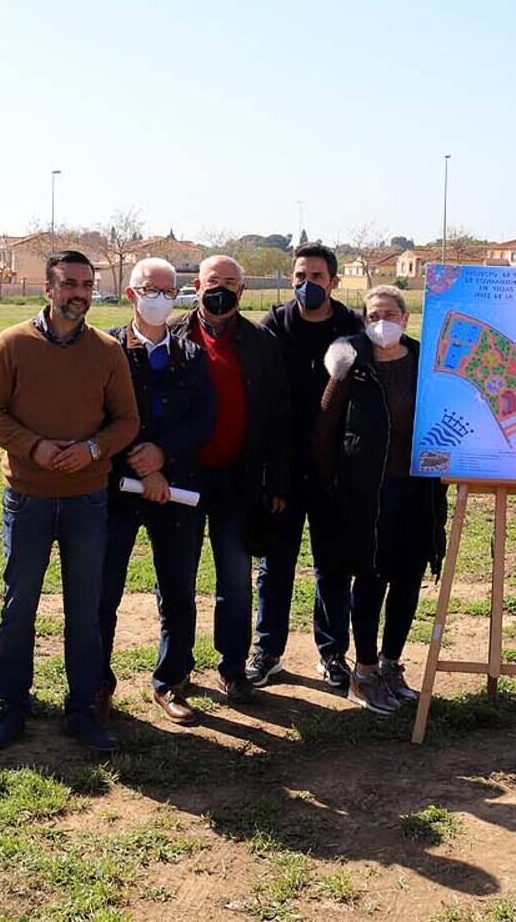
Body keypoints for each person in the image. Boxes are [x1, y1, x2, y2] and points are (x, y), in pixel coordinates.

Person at [0, 251, 139, 753]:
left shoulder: (107, 351)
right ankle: (12, 706)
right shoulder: (14, 343)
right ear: (48, 288)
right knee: (19, 603)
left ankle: (81, 709)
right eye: (69, 284)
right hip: (27, 498)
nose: (80, 293)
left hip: (87, 498)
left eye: (87, 285)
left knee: (85, 608)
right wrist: (35, 446)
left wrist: (92, 448)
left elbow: (127, 422)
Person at [313, 286, 447, 713]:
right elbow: (324, 428)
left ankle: (391, 664)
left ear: (406, 318)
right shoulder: (351, 363)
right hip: (367, 492)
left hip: (419, 489)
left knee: (408, 579)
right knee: (371, 578)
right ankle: (365, 671)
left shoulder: (427, 362)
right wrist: (330, 483)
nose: (381, 322)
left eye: (389, 313)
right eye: (373, 315)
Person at [168, 255, 292, 703]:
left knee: (236, 581)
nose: (220, 290)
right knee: (177, 579)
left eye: (230, 283)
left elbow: (280, 416)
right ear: (197, 285)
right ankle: (175, 672)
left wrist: (276, 482)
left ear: (242, 292)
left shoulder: (261, 343)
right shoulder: (173, 335)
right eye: (212, 281)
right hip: (183, 479)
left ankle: (233, 667)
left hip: (239, 481)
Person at [97, 257, 216, 724]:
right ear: (131, 294)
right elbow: (99, 415)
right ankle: (97, 682)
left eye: (169, 291)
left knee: (179, 590)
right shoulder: (107, 349)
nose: (160, 298)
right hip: (115, 489)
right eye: (151, 289)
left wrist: (161, 457)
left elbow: (203, 419)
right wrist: (141, 465)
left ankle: (171, 681)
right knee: (104, 590)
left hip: (176, 489)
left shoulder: (191, 353)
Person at [255, 243, 365, 690]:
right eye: (300, 276)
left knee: (332, 567)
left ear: (333, 282)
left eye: (316, 277)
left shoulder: (351, 329)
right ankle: (267, 650)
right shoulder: (272, 327)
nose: (307, 285)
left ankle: (332, 652)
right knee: (274, 566)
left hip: (333, 470)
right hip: (283, 470)